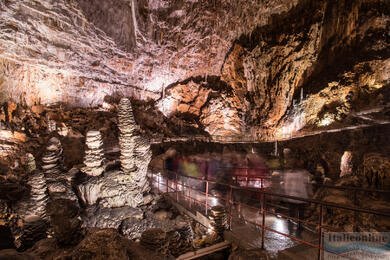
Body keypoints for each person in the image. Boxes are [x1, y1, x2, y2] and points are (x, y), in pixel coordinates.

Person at [281, 149, 313, 229]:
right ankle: (299, 227)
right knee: (301, 214)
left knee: (291, 213)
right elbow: (308, 185)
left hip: (292, 196)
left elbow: (286, 186)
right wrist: (310, 195)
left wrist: (286, 195)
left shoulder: (288, 174)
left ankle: (291, 227)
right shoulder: (304, 173)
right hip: (302, 197)